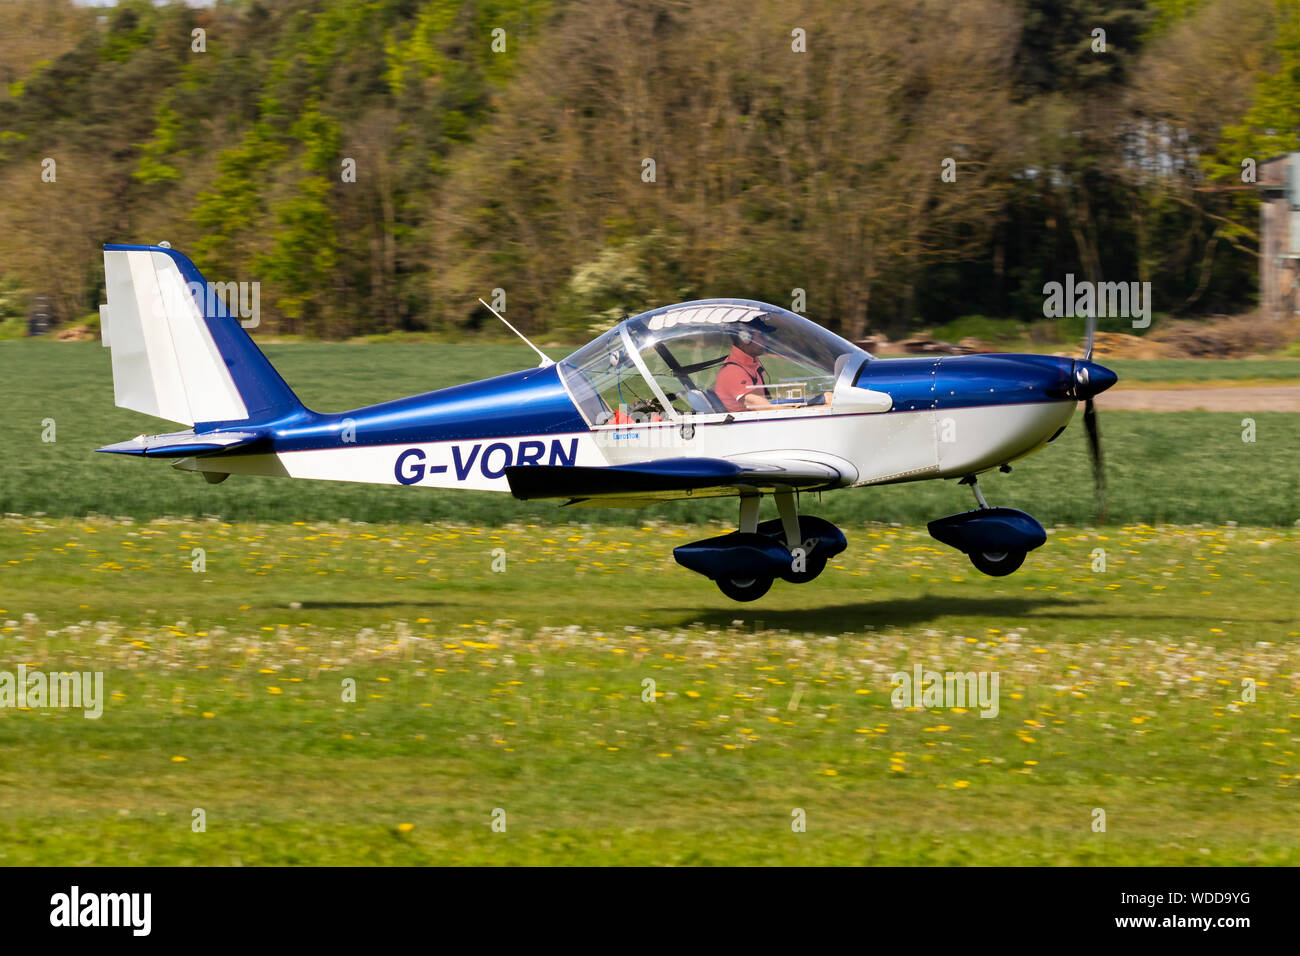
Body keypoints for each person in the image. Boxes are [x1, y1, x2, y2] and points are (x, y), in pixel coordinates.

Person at [713, 318, 832, 413]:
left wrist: (817, 400)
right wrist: (817, 407)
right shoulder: (734, 372)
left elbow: (767, 406)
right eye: (763, 336)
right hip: (750, 433)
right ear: (745, 338)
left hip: (758, 425)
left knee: (826, 397)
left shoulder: (750, 364)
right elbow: (768, 410)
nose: (766, 340)